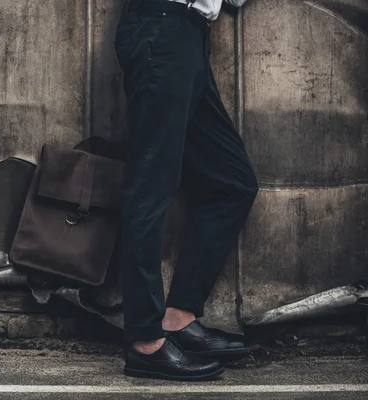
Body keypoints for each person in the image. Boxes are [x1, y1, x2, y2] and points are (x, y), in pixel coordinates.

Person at [115, 0, 258, 381]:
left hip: (189, 37)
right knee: (150, 188)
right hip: (159, 29)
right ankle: (145, 342)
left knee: (233, 181)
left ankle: (177, 318)